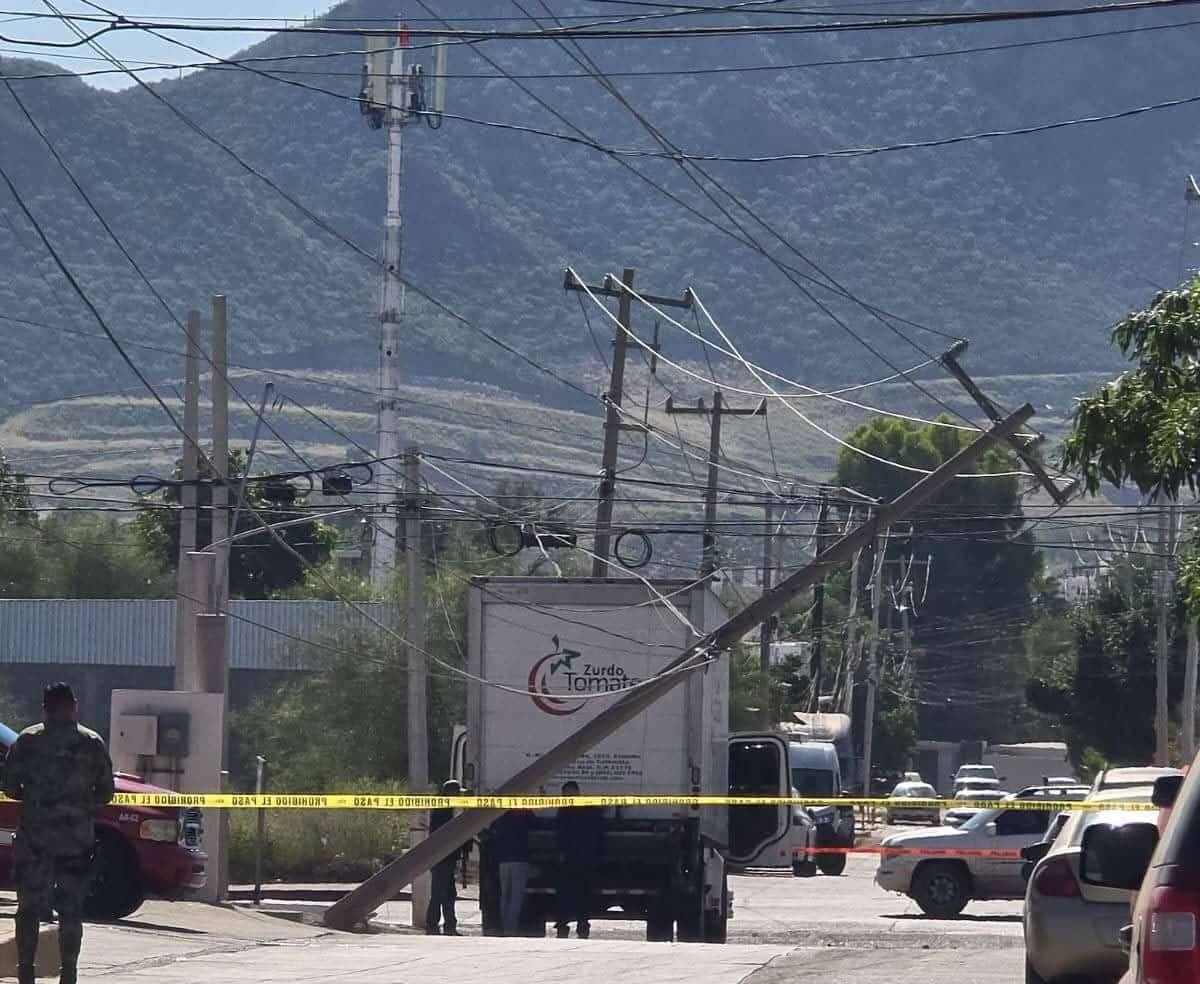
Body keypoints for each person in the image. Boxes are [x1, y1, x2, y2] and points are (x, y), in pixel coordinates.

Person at [3, 683, 115, 984]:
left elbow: (9, 786)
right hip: (75, 841)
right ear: (74, 705)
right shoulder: (91, 743)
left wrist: (36, 797)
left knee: (28, 908)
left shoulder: (27, 740)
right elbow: (106, 792)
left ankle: (26, 972)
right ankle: (69, 973)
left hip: (34, 839)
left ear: (45, 707)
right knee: (71, 910)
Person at [554, 780, 605, 940]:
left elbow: (597, 832)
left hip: (583, 859)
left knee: (582, 894)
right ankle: (563, 926)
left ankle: (582, 926)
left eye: (569, 793)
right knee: (565, 895)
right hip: (569, 859)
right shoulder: (564, 810)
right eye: (565, 794)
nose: (567, 796)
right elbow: (560, 833)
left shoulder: (587, 810)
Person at [426, 779, 469, 936]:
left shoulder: (446, 810)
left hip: (445, 858)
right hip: (442, 857)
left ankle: (446, 925)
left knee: (447, 893)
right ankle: (435, 924)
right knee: (441, 893)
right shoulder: (443, 811)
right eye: (457, 793)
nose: (459, 796)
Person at [488, 809, 530, 936]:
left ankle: (506, 927)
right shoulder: (525, 813)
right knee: (516, 896)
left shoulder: (500, 815)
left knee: (505, 896)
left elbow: (492, 831)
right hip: (520, 859)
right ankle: (511, 928)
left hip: (504, 860)